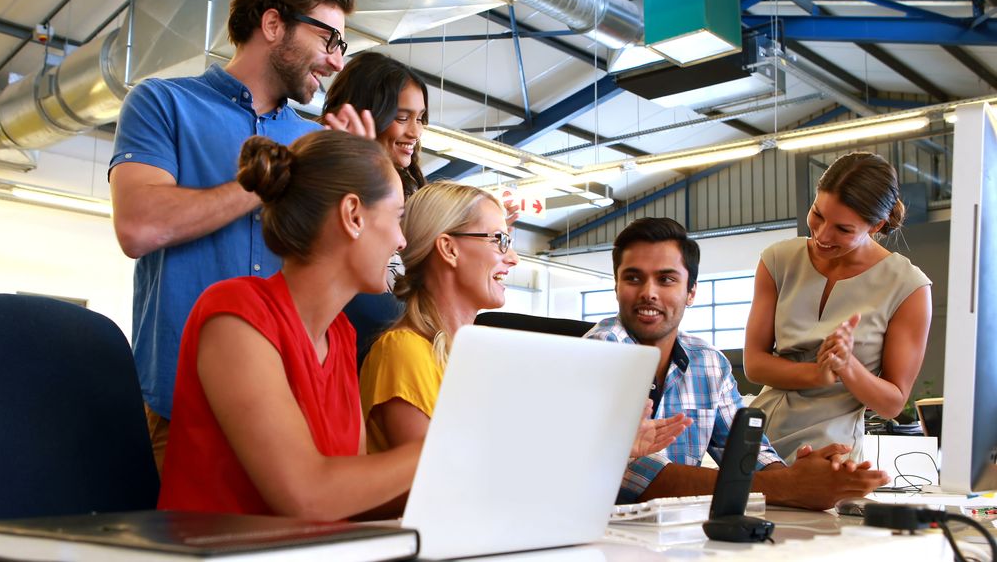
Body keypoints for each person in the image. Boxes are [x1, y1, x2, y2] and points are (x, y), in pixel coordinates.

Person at [108, 0, 353, 472]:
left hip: (291, 412)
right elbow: (138, 226)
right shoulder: (162, 103)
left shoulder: (315, 142)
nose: (336, 61)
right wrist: (274, 178)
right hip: (178, 412)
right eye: (328, 39)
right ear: (273, 24)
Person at [157, 130, 418, 519]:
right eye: (398, 218)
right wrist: (445, 446)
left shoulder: (341, 335)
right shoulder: (236, 315)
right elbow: (307, 495)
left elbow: (349, 494)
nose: (401, 241)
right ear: (353, 215)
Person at [359, 183, 689, 459]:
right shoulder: (403, 352)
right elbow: (438, 488)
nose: (513, 258)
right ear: (448, 248)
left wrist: (608, 449)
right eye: (499, 240)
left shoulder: (477, 360)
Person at [584, 217, 891, 510]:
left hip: (674, 534)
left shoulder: (709, 363)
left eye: (666, 279)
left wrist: (802, 477)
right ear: (616, 286)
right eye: (633, 278)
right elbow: (634, 477)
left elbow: (746, 453)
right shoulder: (596, 355)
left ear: (691, 292)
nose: (648, 293)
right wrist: (789, 487)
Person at [745, 152, 933, 463]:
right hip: (758, 443)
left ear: (876, 226)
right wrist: (817, 374)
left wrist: (847, 366)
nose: (822, 235)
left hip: (831, 454)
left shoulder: (908, 286)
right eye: (817, 214)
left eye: (843, 229)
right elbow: (754, 364)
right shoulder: (777, 260)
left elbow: (892, 404)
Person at [321, 52, 429, 364]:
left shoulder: (407, 200)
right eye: (402, 117)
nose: (415, 132)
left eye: (420, 118)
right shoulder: (321, 191)